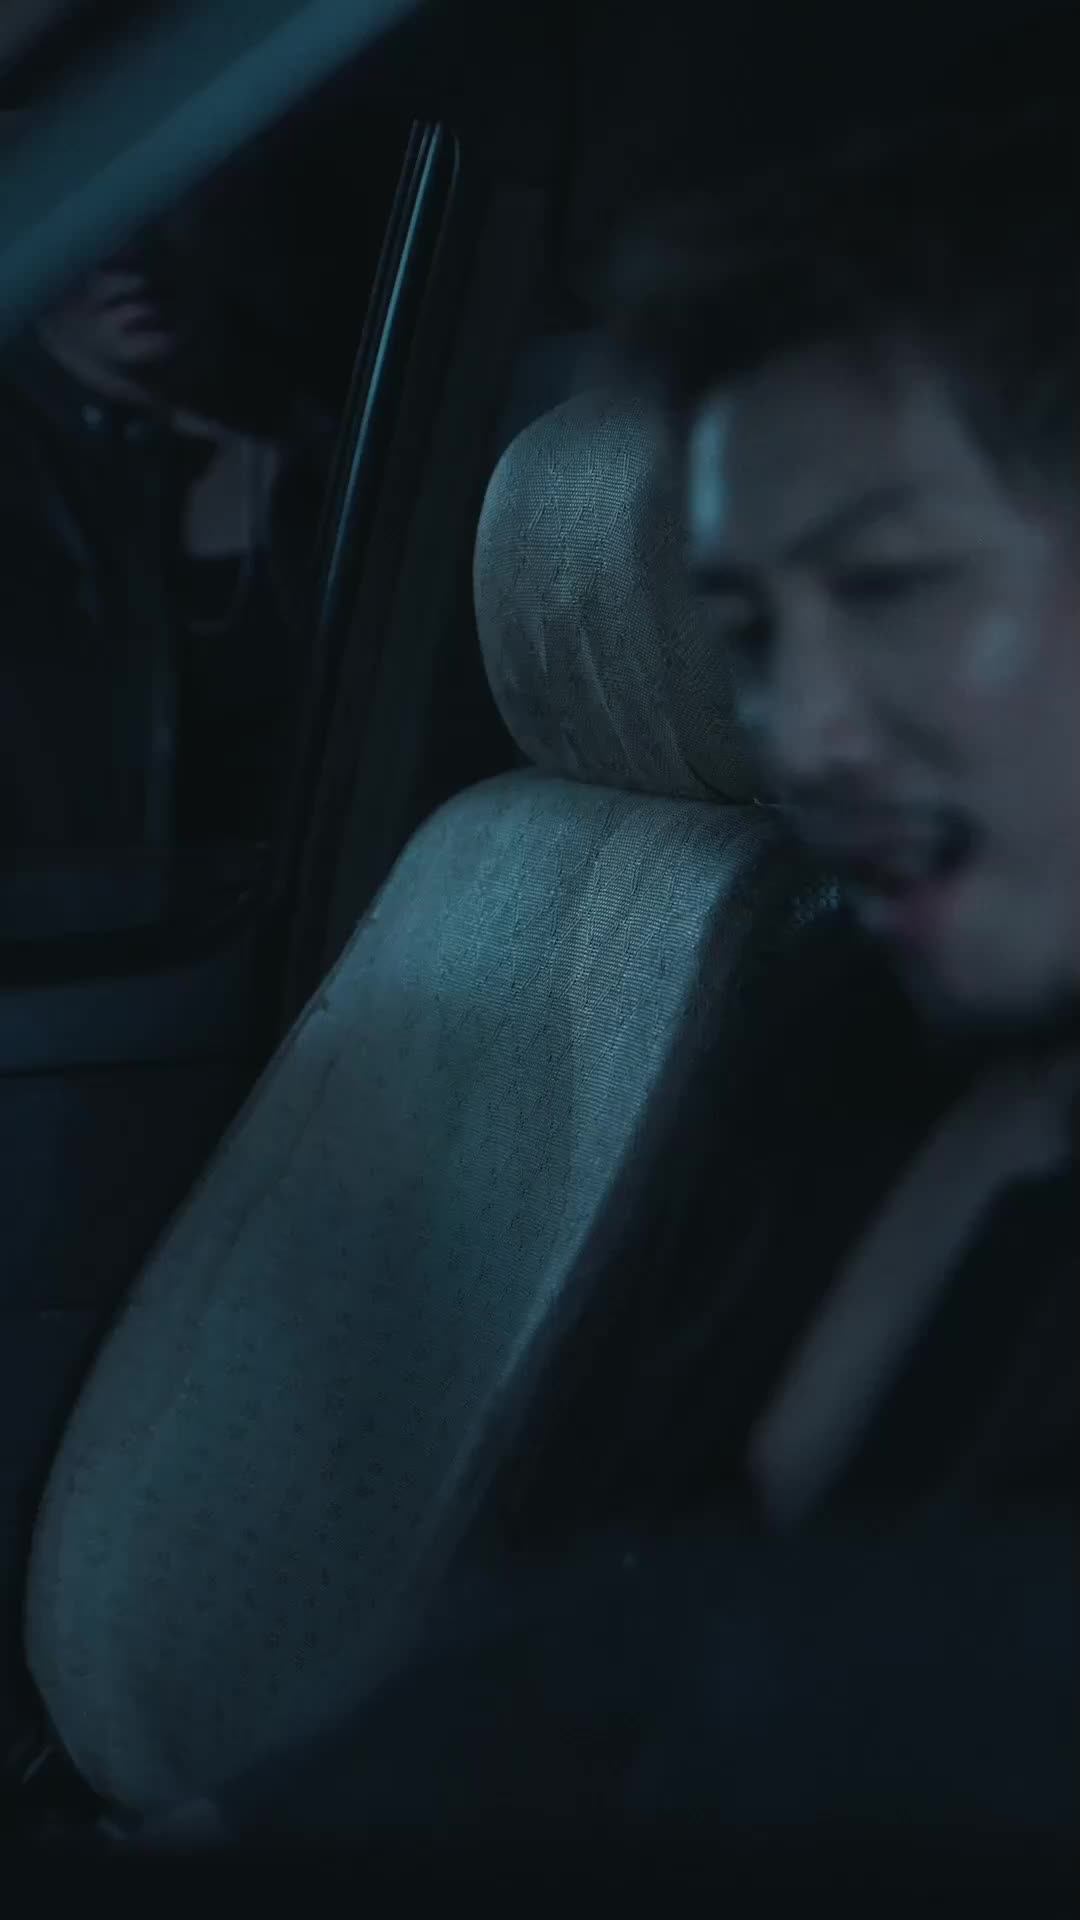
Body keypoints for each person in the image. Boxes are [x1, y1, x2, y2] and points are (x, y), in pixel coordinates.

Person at [113, 102, 1080, 1867]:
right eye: (750, 633)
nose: (806, 730)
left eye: (892, 584)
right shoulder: (842, 1044)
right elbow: (593, 1640)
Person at [0, 198, 330, 853]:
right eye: (87, 208)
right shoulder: (22, 484)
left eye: (157, 207)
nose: (126, 257)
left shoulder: (345, 429)